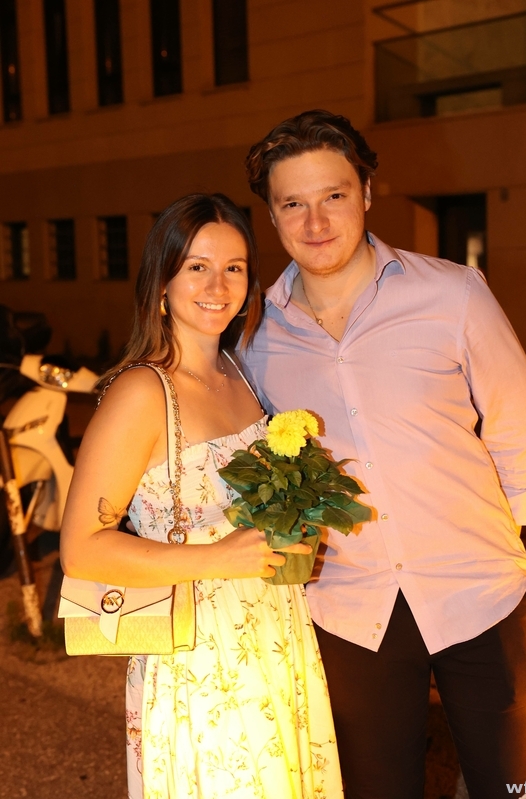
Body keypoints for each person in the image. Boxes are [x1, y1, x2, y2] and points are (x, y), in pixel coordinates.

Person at [241, 110, 526, 799]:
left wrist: (502, 529)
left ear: (367, 193)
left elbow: (516, 419)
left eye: (334, 195)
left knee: (518, 789)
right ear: (272, 213)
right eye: (292, 203)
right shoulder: (256, 336)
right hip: (349, 610)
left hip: (480, 592)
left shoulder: (452, 293)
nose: (315, 221)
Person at [60, 193, 343, 799]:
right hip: (197, 654)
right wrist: (220, 556)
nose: (218, 285)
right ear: (162, 281)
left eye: (234, 267)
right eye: (197, 266)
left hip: (273, 633)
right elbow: (81, 550)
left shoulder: (235, 373)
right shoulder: (142, 391)